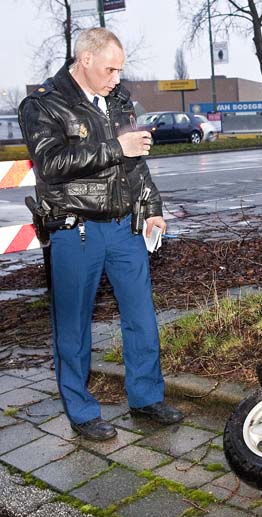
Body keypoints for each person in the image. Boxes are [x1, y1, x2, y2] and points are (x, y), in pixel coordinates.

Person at [18, 28, 183, 441]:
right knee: (72, 327)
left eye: (120, 70)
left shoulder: (117, 100)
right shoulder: (42, 104)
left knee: (142, 319)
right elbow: (51, 162)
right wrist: (116, 147)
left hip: (125, 228)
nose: (116, 78)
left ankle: (146, 398)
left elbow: (136, 160)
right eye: (110, 69)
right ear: (85, 59)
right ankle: (81, 411)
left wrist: (151, 208)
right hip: (75, 232)